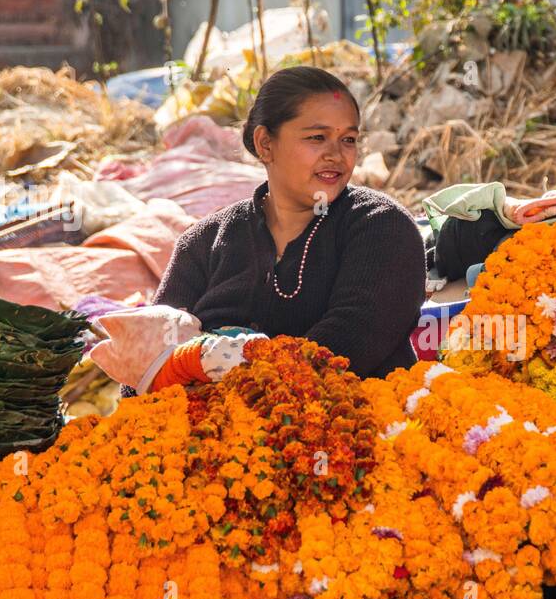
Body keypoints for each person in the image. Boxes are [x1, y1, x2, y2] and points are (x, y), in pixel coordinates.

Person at [153, 66, 426, 379]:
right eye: (317, 137)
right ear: (265, 144)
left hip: (359, 421)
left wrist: (228, 382)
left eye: (348, 139)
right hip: (206, 424)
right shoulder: (203, 243)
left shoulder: (382, 226)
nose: (336, 155)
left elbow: (346, 344)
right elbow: (145, 361)